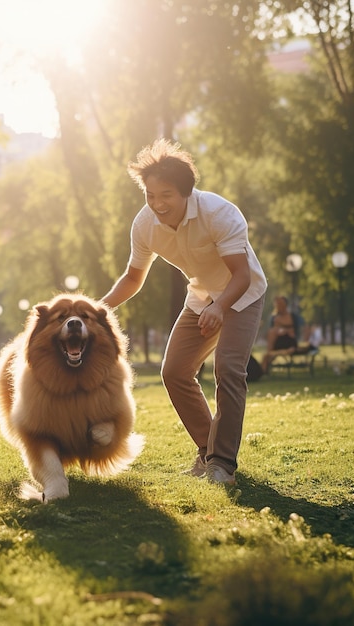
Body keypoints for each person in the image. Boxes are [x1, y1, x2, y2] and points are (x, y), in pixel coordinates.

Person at [102, 139, 267, 485]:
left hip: (243, 294)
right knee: (174, 371)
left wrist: (221, 307)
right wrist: (100, 309)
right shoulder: (145, 224)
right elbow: (134, 277)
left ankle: (222, 464)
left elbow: (242, 274)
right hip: (202, 295)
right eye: (150, 195)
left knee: (228, 370)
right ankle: (207, 449)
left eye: (166, 195)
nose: (157, 204)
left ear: (186, 193)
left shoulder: (219, 213)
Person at [261, 296, 299, 373]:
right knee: (272, 332)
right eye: (277, 304)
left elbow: (295, 332)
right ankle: (264, 366)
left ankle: (268, 357)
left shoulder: (291, 316)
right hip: (278, 341)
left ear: (285, 305)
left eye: (281, 304)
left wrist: (286, 330)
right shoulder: (274, 318)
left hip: (288, 341)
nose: (279, 306)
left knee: (272, 332)